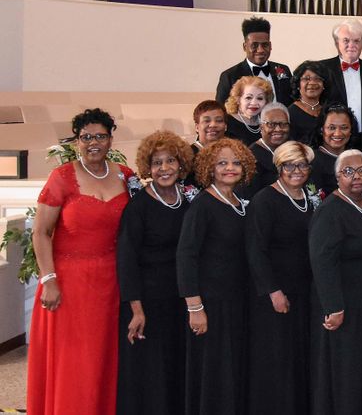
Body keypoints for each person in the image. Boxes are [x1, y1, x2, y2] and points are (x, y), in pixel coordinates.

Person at [28, 108, 135, 415]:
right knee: (74, 361)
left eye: (100, 136)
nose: (93, 143)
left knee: (104, 358)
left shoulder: (124, 176)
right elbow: (40, 232)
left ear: (111, 139)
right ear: (76, 142)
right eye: (86, 137)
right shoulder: (61, 178)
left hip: (111, 283)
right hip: (68, 285)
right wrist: (49, 280)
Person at [117, 129, 195, 415]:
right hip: (147, 303)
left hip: (180, 301)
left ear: (181, 164)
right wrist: (136, 310)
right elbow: (126, 260)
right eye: (157, 163)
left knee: (177, 368)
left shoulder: (188, 202)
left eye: (170, 161)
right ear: (148, 169)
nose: (164, 169)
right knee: (151, 374)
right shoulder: (138, 208)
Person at [177, 137, 256, 415]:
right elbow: (186, 256)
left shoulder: (239, 202)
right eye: (222, 163)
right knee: (215, 373)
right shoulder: (202, 205)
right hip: (211, 304)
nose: (229, 168)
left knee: (233, 371)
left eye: (235, 163)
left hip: (238, 301)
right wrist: (195, 307)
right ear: (210, 167)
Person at [309, 150, 362, 415]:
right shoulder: (330, 211)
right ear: (336, 177)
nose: (355, 177)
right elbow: (322, 261)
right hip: (345, 306)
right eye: (347, 172)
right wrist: (334, 306)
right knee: (348, 370)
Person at [245, 141, 318, 415]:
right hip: (275, 295)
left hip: (303, 291)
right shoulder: (265, 200)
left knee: (297, 358)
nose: (297, 171)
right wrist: (273, 291)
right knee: (277, 359)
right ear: (279, 168)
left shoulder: (308, 199)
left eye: (302, 165)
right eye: (290, 165)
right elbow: (256, 251)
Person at [317, 18, 362, 132]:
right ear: (337, 43)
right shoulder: (322, 69)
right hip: (334, 138)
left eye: (356, 41)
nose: (351, 45)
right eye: (346, 40)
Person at [215, 16, 292, 105]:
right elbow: (221, 110)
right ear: (245, 46)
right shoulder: (230, 76)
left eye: (265, 45)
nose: (260, 50)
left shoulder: (283, 70)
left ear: (270, 46)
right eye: (254, 45)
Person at [308, 104, 357, 194]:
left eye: (344, 128)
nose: (337, 133)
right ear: (321, 129)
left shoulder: (357, 158)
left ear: (351, 131)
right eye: (331, 128)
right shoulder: (312, 161)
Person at [246, 101, 291, 197]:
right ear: (261, 127)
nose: (278, 129)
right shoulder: (250, 157)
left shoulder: (292, 151)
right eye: (271, 124)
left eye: (283, 124)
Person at [223, 75, 272, 146]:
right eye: (248, 98)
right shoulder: (226, 122)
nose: (254, 103)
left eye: (260, 98)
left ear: (266, 102)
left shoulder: (267, 123)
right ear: (238, 99)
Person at [288, 60, 330, 143]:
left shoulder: (328, 111)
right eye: (306, 79)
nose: (312, 83)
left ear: (324, 85)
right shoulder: (289, 114)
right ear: (298, 84)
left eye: (318, 79)